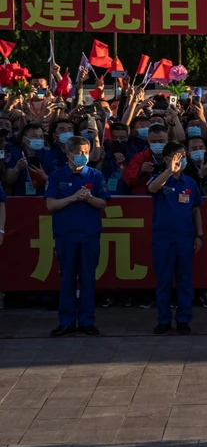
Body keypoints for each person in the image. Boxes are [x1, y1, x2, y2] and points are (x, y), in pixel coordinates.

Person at [44, 136, 111, 336]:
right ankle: (66, 322)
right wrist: (73, 198)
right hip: (65, 236)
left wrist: (89, 198)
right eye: (79, 152)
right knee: (67, 279)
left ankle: (86, 321)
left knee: (88, 279)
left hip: (89, 236)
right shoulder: (57, 176)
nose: (83, 156)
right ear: (68, 153)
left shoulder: (95, 175)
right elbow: (50, 204)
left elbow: (103, 203)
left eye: (86, 152)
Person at [147, 142, 203, 335]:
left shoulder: (190, 183)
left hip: (185, 238)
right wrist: (169, 171)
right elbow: (152, 188)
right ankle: (163, 320)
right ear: (167, 159)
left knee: (185, 280)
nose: (182, 159)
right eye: (177, 156)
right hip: (163, 238)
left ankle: (183, 320)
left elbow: (196, 210)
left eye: (183, 155)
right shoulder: (159, 179)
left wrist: (199, 235)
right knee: (163, 280)